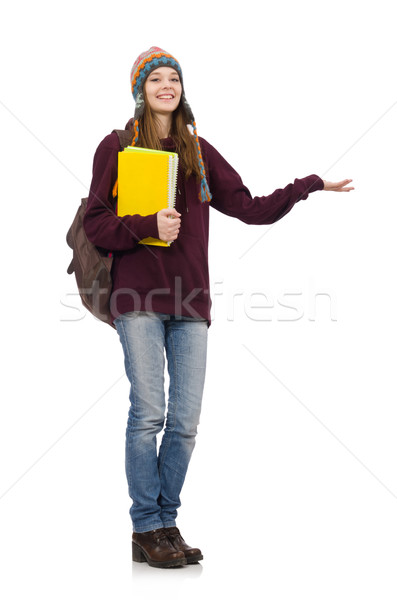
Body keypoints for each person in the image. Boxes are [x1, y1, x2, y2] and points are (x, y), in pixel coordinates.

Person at [83, 46, 354, 569]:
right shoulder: (116, 146)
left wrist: (310, 184)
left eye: (174, 79)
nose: (167, 86)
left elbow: (250, 208)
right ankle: (146, 525)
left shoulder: (197, 152)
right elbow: (97, 223)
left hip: (191, 302)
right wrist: (146, 226)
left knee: (184, 421)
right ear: (140, 90)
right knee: (148, 414)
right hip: (137, 297)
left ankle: (166, 522)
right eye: (156, 79)